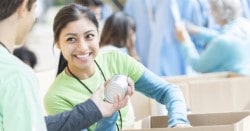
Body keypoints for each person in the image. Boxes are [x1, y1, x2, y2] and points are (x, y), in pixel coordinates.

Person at [44, 3, 190, 131]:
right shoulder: (56, 97)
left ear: (98, 36)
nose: (82, 47)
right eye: (71, 39)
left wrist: (178, 123)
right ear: (57, 43)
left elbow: (169, 91)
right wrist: (108, 110)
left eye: (89, 36)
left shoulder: (115, 59)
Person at [0, 0, 132, 130]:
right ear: (24, 6)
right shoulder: (16, 76)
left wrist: (94, 110)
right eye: (35, 7)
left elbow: (35, 124)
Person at [175, 0, 250, 75]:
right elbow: (224, 37)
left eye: (210, 9)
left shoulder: (223, 42)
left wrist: (185, 41)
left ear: (217, 12)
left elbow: (198, 65)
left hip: (227, 84)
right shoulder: (245, 25)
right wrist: (198, 31)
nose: (209, 13)